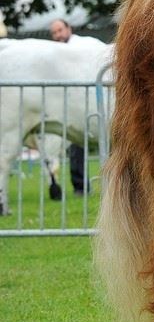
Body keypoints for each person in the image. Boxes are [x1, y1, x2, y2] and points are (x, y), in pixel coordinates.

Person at [49, 19, 86, 195]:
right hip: (66, 107)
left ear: (69, 28)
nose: (58, 35)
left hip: (86, 103)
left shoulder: (82, 46)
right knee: (75, 148)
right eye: (54, 33)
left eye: (60, 30)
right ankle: (79, 186)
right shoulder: (55, 53)